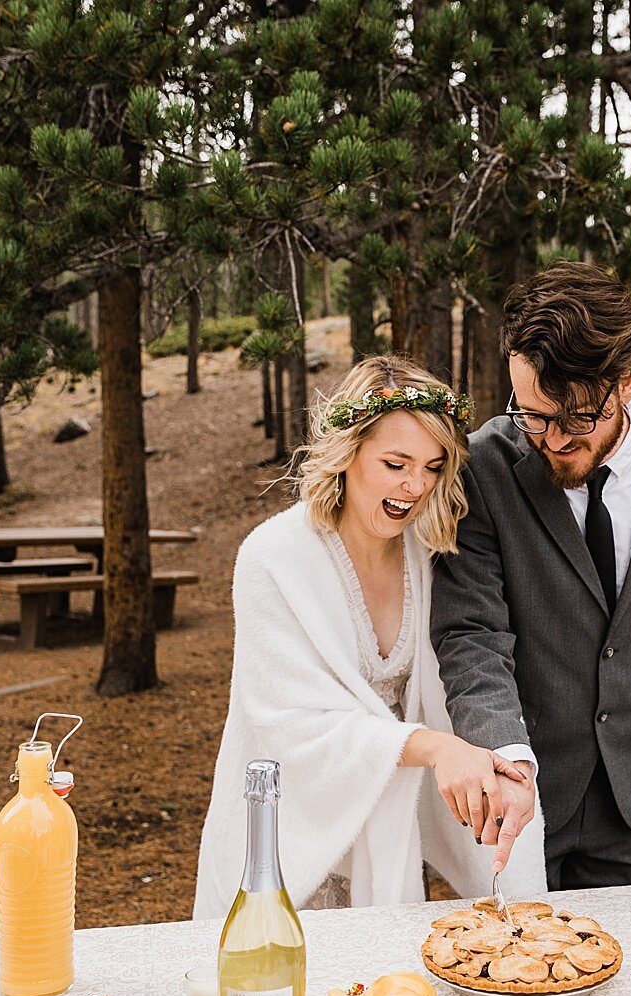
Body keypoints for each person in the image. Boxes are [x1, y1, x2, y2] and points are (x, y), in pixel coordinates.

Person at [193, 357, 548, 919]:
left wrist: (495, 761)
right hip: (290, 836)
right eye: (395, 463)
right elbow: (291, 723)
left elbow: (463, 670)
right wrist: (434, 749)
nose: (415, 487)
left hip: (387, 834)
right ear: (348, 451)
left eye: (433, 467)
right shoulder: (272, 559)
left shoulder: (432, 557)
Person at [431, 262, 631, 889]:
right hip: (517, 790)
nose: (550, 439)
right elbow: (471, 633)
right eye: (531, 414)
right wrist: (506, 758)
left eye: (574, 418)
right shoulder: (483, 466)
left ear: (627, 381)